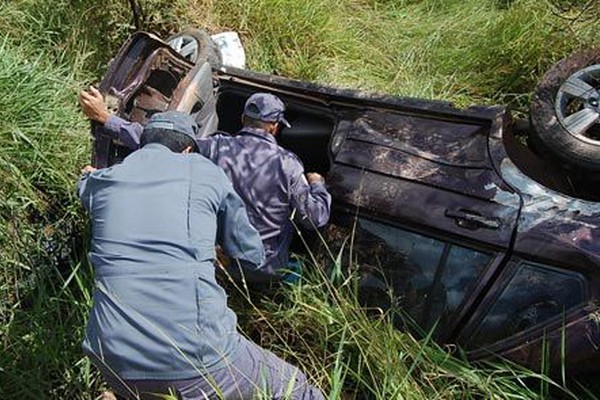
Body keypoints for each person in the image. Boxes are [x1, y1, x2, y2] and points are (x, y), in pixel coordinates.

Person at [77, 111, 325, 399]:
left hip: (108, 356)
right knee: (299, 388)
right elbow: (250, 253)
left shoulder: (104, 181)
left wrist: (89, 176)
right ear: (187, 150)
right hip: (193, 359)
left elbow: (85, 184)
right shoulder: (206, 171)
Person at [79, 89, 331, 284]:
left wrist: (105, 118)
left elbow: (160, 140)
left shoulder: (215, 147)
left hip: (216, 262)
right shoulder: (289, 164)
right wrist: (318, 184)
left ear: (243, 118)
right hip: (265, 270)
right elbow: (315, 218)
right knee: (300, 268)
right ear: (275, 127)